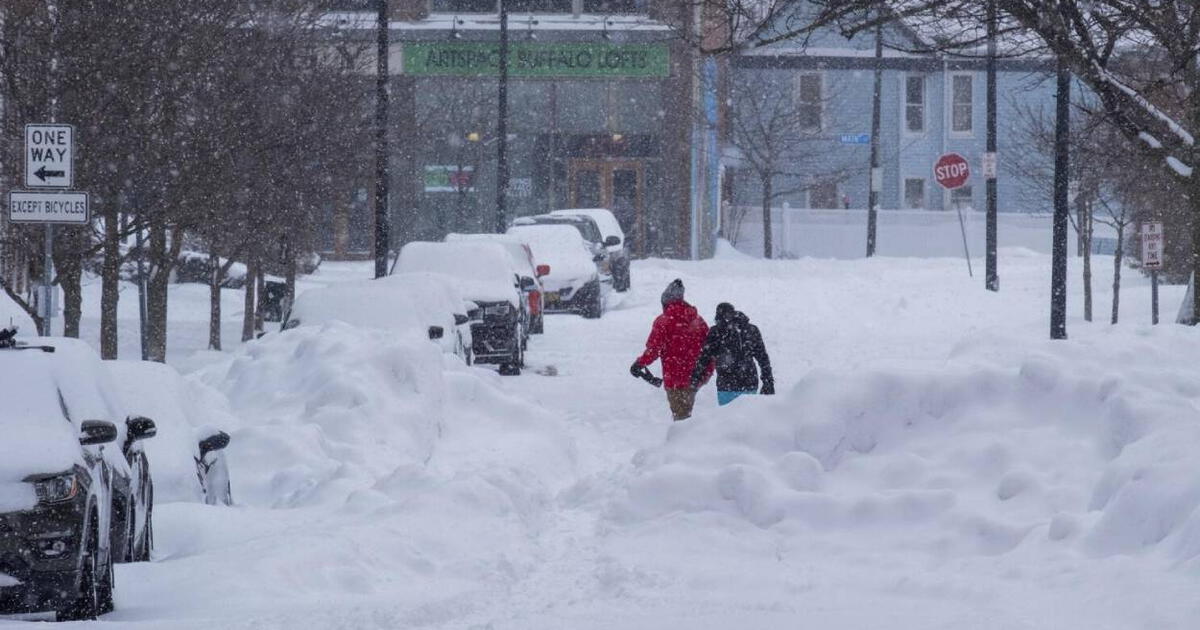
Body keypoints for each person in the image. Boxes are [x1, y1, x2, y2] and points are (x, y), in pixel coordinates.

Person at [631, 279, 712, 421]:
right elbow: (710, 347)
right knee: (686, 412)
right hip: (697, 375)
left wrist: (639, 364)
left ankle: (684, 441)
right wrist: (705, 373)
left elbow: (654, 349)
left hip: (675, 377)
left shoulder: (664, 322)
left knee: (681, 418)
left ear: (665, 302)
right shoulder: (698, 320)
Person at [690, 302, 774, 406]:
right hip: (749, 383)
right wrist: (768, 381)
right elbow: (763, 358)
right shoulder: (751, 330)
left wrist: (695, 379)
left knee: (727, 419)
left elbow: (704, 358)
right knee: (749, 418)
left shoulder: (716, 332)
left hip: (726, 385)